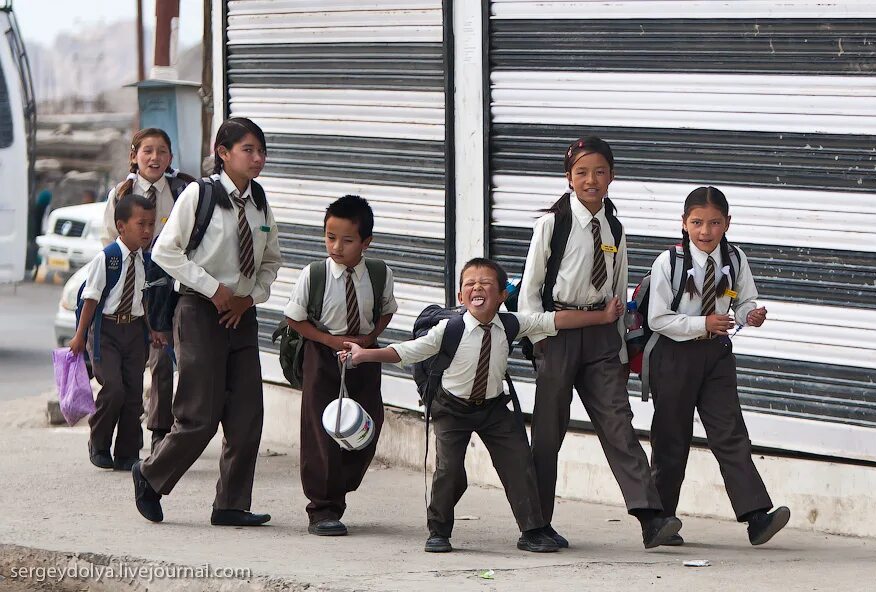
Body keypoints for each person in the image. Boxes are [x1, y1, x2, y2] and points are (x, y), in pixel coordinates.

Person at [343, 257, 650, 554]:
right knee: (448, 470)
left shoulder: (511, 324)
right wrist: (364, 354)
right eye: (470, 284)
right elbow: (406, 351)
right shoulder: (449, 330)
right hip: (452, 409)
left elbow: (555, 319)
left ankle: (532, 530)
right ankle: (439, 531)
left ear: (503, 295)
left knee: (519, 463)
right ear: (461, 296)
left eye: (486, 283)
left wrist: (602, 317)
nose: (477, 288)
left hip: (493, 409)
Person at [519, 137, 679, 548]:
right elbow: (531, 290)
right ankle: (536, 526)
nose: (592, 180)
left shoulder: (614, 226)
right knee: (548, 434)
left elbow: (620, 286)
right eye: (582, 172)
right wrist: (540, 339)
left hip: (603, 339)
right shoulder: (551, 225)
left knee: (618, 424)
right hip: (558, 332)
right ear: (568, 178)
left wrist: (622, 344)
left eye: (600, 172)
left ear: (612, 176)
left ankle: (650, 517)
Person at [131, 117, 282, 527]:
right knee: (199, 415)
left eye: (261, 151)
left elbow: (271, 261)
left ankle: (231, 504)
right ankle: (150, 474)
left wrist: (250, 297)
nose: (258, 158)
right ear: (223, 152)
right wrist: (214, 289)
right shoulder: (200, 194)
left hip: (243, 316)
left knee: (247, 416)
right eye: (248, 150)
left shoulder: (260, 200)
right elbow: (166, 250)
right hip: (200, 311)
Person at [646, 186, 790, 546]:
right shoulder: (670, 262)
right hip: (675, 355)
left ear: (727, 223)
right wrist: (702, 324)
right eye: (697, 222)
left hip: (717, 356)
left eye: (714, 222)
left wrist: (749, 314)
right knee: (670, 438)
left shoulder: (736, 258)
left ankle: (756, 517)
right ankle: (660, 520)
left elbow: (742, 300)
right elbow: (657, 319)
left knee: (731, 435)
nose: (705, 231)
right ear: (684, 223)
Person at [283, 194, 397, 536]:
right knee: (320, 430)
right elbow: (295, 319)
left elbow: (387, 310)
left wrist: (369, 338)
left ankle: (342, 483)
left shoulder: (379, 273)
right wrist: (330, 341)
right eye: (330, 237)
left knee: (367, 423)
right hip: (323, 354)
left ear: (366, 242)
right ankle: (323, 508)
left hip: (364, 355)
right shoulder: (313, 274)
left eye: (347, 240)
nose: (336, 247)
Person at [100, 128, 196, 454]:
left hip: (170, 290)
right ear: (135, 155)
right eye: (147, 151)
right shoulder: (120, 194)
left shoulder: (184, 191)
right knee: (129, 369)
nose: (155, 158)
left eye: (162, 151)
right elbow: (108, 245)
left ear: (170, 157)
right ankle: (117, 440)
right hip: (131, 290)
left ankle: (159, 431)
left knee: (163, 361)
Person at [69, 195, 158, 471]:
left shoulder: (146, 260)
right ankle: (98, 442)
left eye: (151, 224)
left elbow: (142, 298)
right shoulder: (107, 259)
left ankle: (127, 452)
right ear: (121, 226)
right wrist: (80, 336)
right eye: (140, 224)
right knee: (114, 389)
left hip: (133, 331)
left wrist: (152, 330)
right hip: (105, 331)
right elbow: (91, 300)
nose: (147, 230)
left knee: (133, 393)